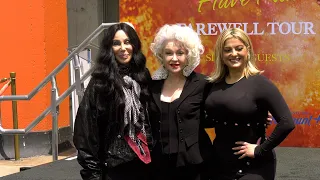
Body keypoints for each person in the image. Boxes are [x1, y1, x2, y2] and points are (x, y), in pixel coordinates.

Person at [205, 28, 295, 180]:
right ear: (221, 54)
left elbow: (287, 123)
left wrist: (260, 150)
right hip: (219, 164)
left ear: (248, 50)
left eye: (239, 48)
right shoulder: (213, 84)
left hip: (252, 167)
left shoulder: (261, 83)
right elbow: (209, 120)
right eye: (227, 50)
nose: (234, 54)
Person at [73, 22, 153, 180]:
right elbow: (86, 134)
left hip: (144, 163)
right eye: (116, 43)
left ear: (134, 45)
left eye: (127, 42)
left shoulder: (143, 76)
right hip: (114, 168)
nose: (123, 48)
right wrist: (93, 175)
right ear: (109, 48)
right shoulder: (100, 82)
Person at [148, 24, 213, 180]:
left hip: (194, 165)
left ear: (188, 55)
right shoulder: (151, 86)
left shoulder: (203, 83)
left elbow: (223, 109)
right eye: (168, 53)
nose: (174, 58)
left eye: (180, 53)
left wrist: (256, 117)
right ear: (161, 55)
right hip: (158, 165)